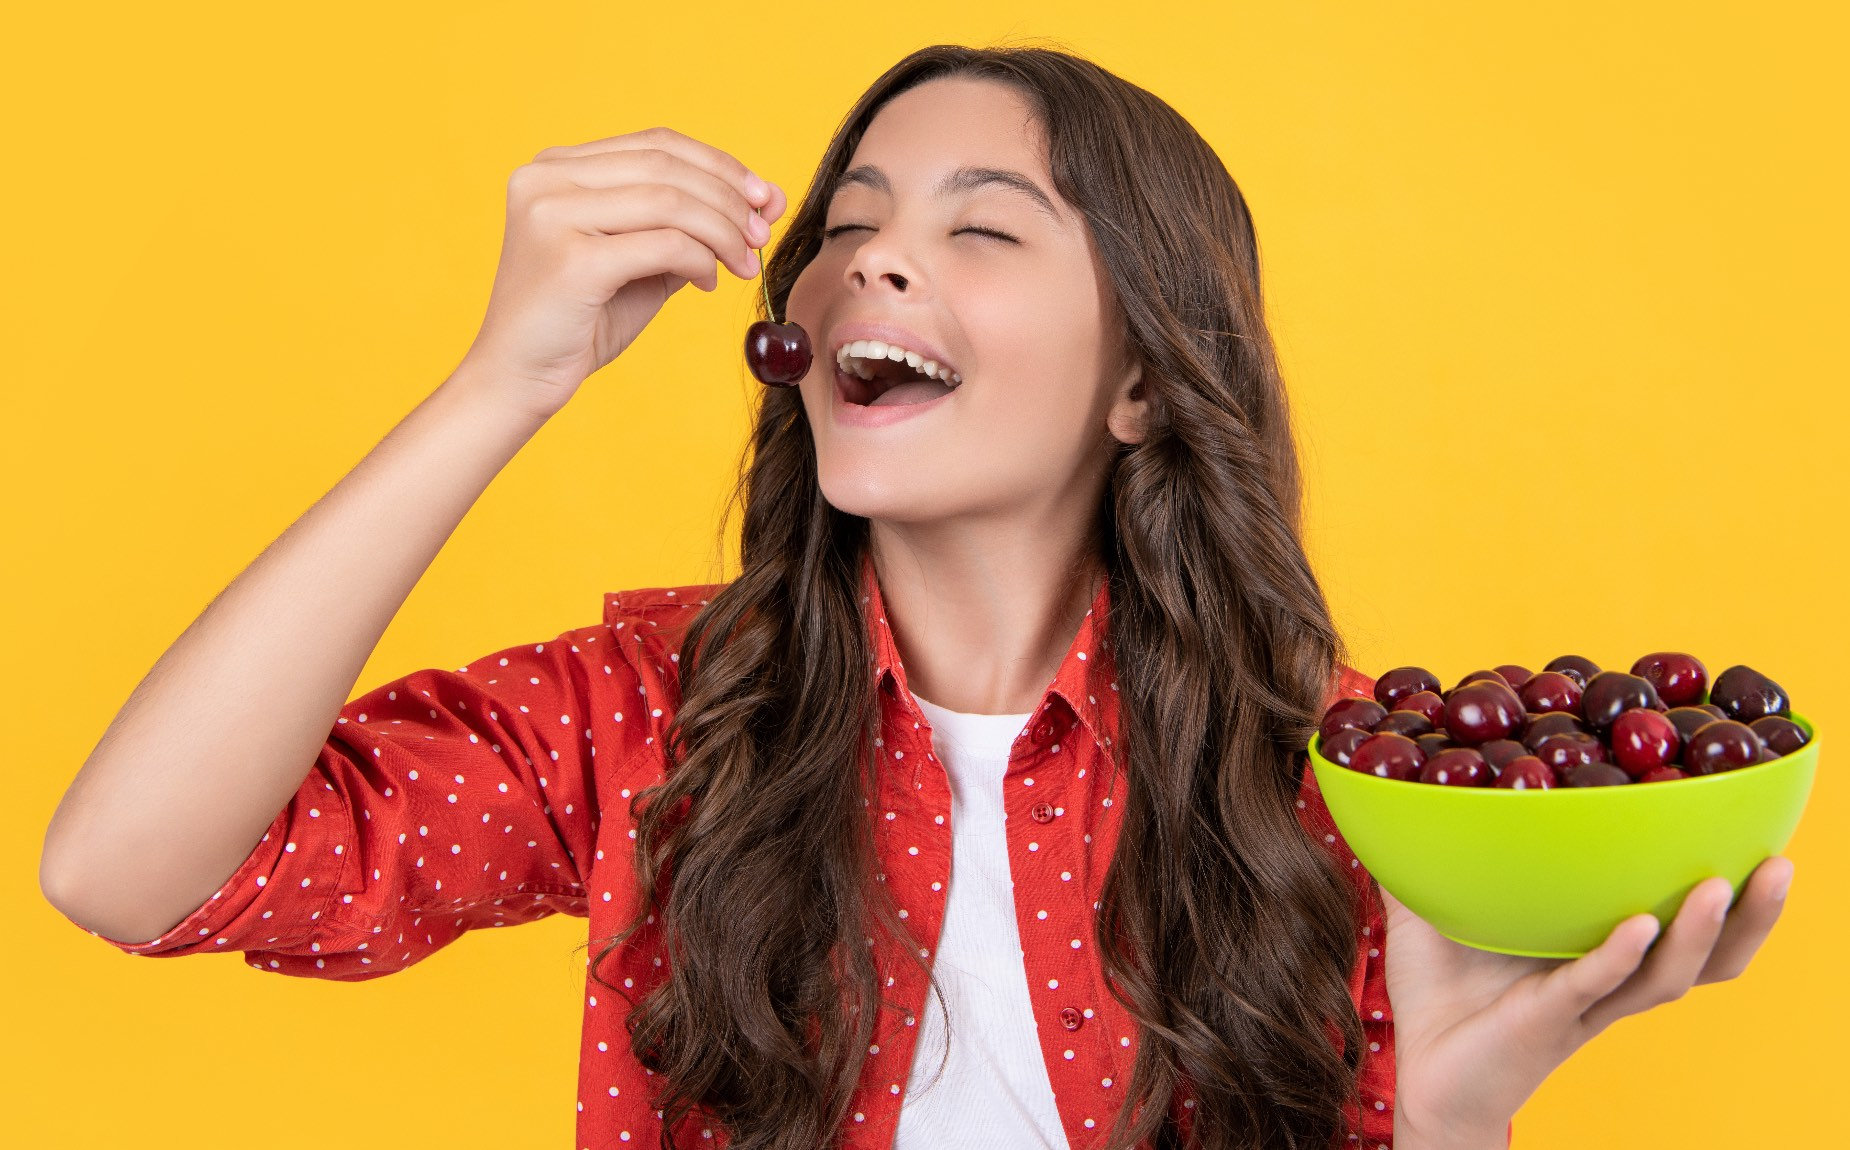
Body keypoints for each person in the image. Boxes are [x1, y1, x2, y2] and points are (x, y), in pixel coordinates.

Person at [38, 42, 1791, 1150]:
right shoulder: (648, 716)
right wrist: (502, 379)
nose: (871, 250)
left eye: (985, 227)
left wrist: (1462, 1124)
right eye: (853, 218)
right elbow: (126, 870)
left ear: (1141, 381)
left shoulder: (1346, 791)